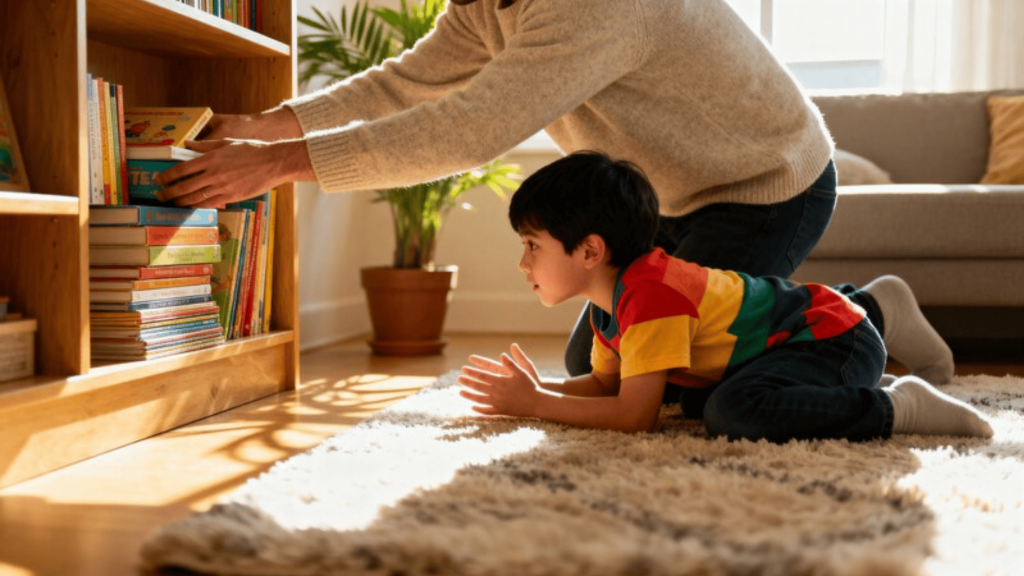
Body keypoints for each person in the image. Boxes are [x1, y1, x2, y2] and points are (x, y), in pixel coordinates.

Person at [154, 0, 951, 386]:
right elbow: (406, 84)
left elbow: (468, 129)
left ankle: (867, 312)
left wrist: (281, 164)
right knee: (597, 368)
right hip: (664, 197)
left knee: (675, 381)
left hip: (766, 182)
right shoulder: (486, 6)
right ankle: (853, 310)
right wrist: (270, 122)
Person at [457, 152, 993, 441]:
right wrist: (539, 389)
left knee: (733, 412)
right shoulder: (609, 304)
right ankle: (875, 307)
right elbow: (605, 384)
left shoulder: (651, 295)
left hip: (832, 339)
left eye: (532, 245)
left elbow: (633, 416)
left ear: (590, 250)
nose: (523, 262)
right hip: (797, 336)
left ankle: (897, 405)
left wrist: (535, 404)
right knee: (697, 397)